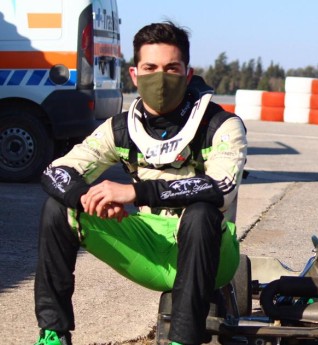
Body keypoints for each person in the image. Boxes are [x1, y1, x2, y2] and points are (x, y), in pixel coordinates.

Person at [33, 22, 247, 345]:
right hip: (151, 246)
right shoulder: (121, 128)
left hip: (213, 253)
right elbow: (56, 171)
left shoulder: (222, 126)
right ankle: (52, 334)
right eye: (150, 68)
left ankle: (182, 341)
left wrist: (135, 191)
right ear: (134, 75)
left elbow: (220, 188)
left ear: (188, 74)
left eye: (171, 68)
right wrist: (86, 197)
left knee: (201, 212)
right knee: (58, 208)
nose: (160, 78)